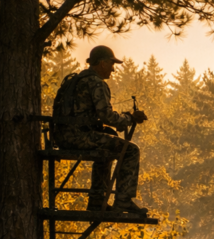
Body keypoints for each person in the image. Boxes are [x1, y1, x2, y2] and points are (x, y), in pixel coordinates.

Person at [53, 45, 149, 214]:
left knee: (107, 144)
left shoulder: (75, 80)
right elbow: (107, 116)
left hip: (62, 136)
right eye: (112, 64)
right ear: (103, 63)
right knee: (131, 150)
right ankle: (123, 201)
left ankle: (98, 201)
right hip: (78, 137)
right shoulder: (96, 83)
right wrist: (130, 118)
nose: (113, 69)